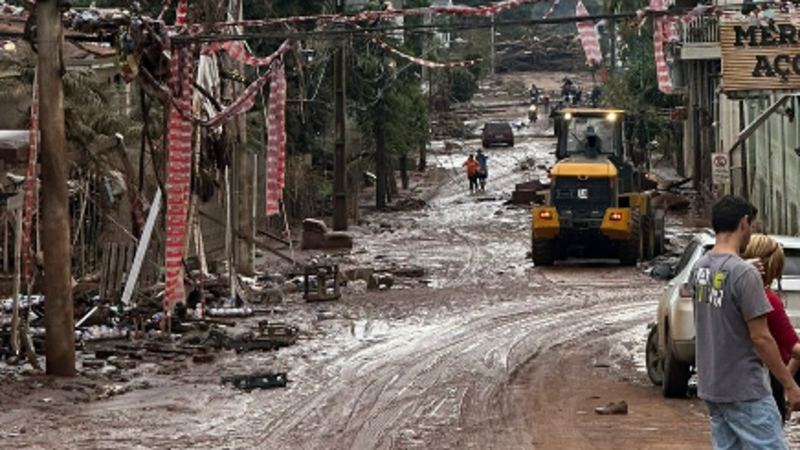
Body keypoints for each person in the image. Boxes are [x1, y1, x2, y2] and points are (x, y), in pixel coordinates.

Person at [689, 195, 800, 450]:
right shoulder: (745, 273)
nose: (751, 232)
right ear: (744, 222)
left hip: (712, 385)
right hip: (744, 388)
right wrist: (790, 385)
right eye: (752, 225)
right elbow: (761, 338)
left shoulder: (700, 268)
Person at [742, 234, 800, 423]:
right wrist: (790, 385)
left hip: (723, 382)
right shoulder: (766, 299)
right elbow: (792, 347)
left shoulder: (729, 293)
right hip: (758, 384)